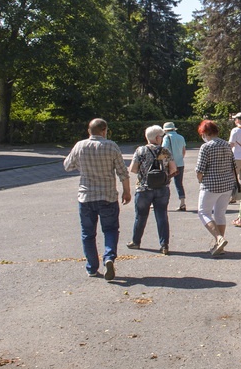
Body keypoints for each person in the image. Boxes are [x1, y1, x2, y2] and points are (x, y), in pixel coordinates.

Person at [63, 118, 132, 280]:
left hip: (86, 196)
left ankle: (92, 267)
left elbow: (67, 166)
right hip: (107, 195)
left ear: (89, 131)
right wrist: (126, 191)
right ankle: (108, 257)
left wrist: (81, 165)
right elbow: (123, 172)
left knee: (88, 234)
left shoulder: (80, 146)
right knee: (110, 229)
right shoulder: (111, 146)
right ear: (104, 130)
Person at [127, 125, 177, 254]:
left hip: (144, 188)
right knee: (162, 216)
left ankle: (136, 242)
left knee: (141, 216)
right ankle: (164, 244)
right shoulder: (164, 151)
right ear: (156, 137)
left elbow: (133, 169)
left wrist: (143, 172)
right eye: (161, 136)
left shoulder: (140, 151)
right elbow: (173, 169)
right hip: (162, 188)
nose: (162, 138)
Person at [195, 120, 235, 256]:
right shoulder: (226, 144)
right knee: (220, 214)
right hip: (227, 184)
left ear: (205, 133)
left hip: (211, 184)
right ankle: (220, 245)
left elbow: (200, 169)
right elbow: (233, 165)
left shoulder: (206, 147)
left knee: (203, 212)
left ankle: (219, 238)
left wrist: (200, 180)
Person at [162, 122, 188, 211]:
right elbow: (184, 151)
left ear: (165, 130)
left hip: (169, 164)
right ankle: (182, 203)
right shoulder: (181, 137)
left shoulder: (167, 137)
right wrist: (179, 158)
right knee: (179, 183)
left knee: (164, 183)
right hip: (180, 163)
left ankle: (161, 203)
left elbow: (164, 150)